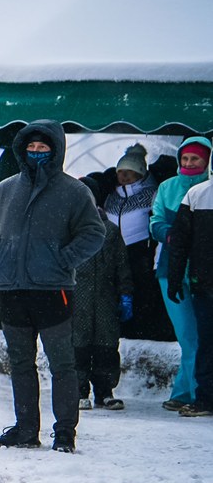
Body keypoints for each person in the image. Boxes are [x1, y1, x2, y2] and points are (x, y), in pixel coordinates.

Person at [0, 121, 108, 451]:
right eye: (31, 148)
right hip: (11, 288)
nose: (36, 153)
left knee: (62, 364)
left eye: (43, 148)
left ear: (56, 150)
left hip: (53, 290)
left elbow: (94, 233)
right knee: (21, 363)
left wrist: (63, 260)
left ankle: (64, 432)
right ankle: (25, 430)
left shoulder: (74, 191)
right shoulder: (5, 189)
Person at [152, 136, 210, 412]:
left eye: (195, 158)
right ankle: (190, 392)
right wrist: (175, 236)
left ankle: (194, 392)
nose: (189, 163)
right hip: (171, 269)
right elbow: (155, 222)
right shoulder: (167, 187)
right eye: (185, 158)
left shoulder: (209, 189)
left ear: (207, 161)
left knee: (203, 336)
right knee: (188, 336)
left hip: (204, 271)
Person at [72, 172, 133, 412]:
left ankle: (105, 391)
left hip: (105, 299)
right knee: (78, 345)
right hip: (76, 299)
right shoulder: (67, 230)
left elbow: (122, 266)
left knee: (106, 345)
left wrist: (126, 294)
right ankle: (78, 391)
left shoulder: (110, 231)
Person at [165, 171, 213, 416]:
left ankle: (205, 397)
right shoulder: (197, 194)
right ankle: (205, 397)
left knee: (207, 343)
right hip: (204, 283)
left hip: (204, 281)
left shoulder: (197, 194)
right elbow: (180, 241)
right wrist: (174, 278)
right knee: (207, 342)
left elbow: (180, 242)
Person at [103, 146, 162, 340]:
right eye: (121, 172)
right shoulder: (111, 196)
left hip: (139, 251)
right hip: (114, 251)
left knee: (140, 291)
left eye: (130, 172)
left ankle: (142, 330)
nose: (124, 176)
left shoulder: (152, 194)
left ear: (141, 173)